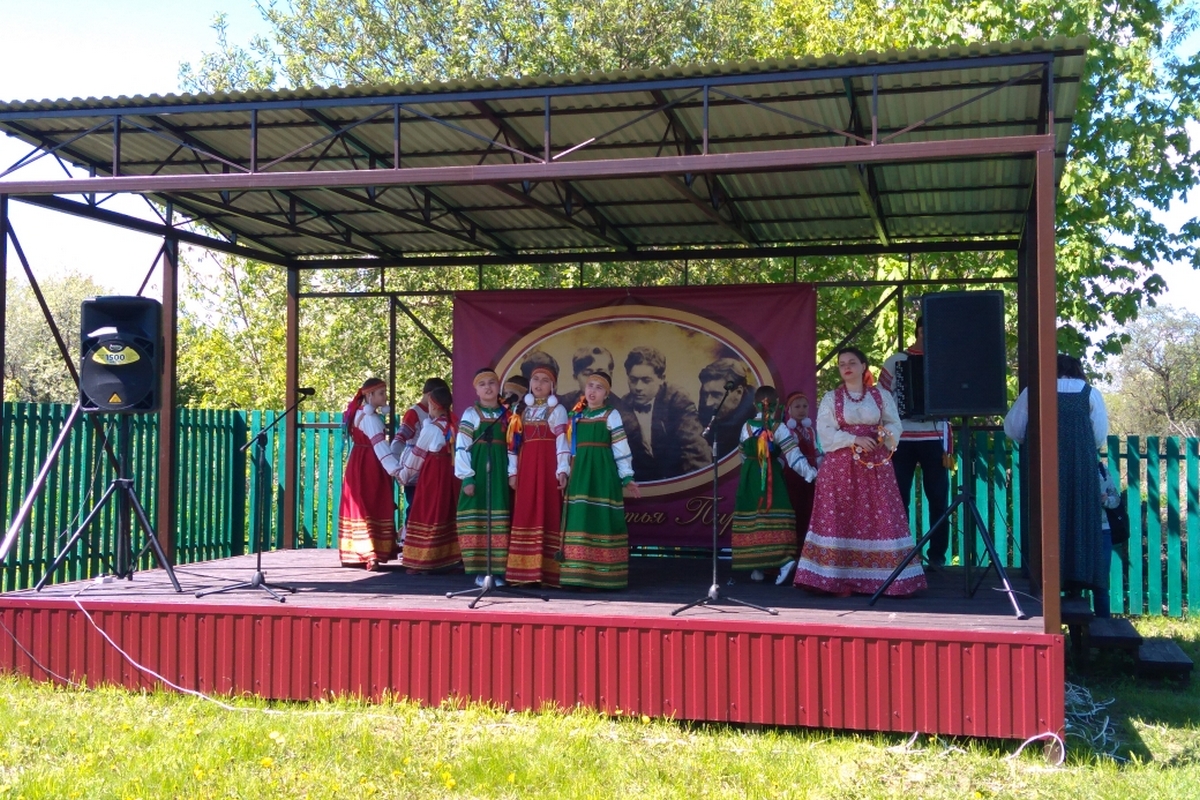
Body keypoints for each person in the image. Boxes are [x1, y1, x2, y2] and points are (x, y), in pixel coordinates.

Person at [793, 347, 927, 597]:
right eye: (842, 363)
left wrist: (883, 436)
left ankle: (885, 578)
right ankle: (832, 577)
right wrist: (853, 438)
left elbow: (894, 424)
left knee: (881, 513)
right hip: (841, 467)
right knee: (841, 516)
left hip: (875, 465)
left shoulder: (880, 395)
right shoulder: (831, 398)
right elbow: (825, 432)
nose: (846, 367)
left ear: (863, 365)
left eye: (852, 362)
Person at [1003, 354, 1109, 599]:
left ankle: (1042, 578)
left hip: (1042, 466)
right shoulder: (1090, 394)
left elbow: (1013, 428)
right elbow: (1099, 437)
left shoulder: (1034, 391)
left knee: (1045, 517)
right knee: (1078, 517)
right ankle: (1077, 578)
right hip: (1079, 469)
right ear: (1076, 370)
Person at [880, 317, 952, 568]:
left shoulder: (946, 360)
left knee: (938, 498)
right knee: (899, 497)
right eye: (923, 331)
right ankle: (901, 553)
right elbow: (881, 396)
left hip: (935, 438)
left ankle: (937, 556)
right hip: (902, 438)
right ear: (918, 331)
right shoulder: (896, 361)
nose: (926, 336)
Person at [560, 371, 641, 589]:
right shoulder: (575, 416)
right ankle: (577, 575)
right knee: (580, 518)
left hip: (602, 471)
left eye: (598, 387)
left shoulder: (611, 414)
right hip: (579, 473)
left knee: (601, 516)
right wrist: (563, 471)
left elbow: (621, 447)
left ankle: (605, 577)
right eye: (590, 386)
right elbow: (566, 447)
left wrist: (627, 476)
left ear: (606, 394)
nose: (593, 391)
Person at [731, 386, 816, 582]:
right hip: (772, 477)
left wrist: (751, 467)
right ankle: (784, 561)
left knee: (754, 517)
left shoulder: (746, 427)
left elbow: (742, 453)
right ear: (777, 405)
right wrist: (811, 473)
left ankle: (758, 567)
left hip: (750, 476)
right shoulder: (780, 427)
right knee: (775, 513)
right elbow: (794, 457)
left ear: (755, 404)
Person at [506, 363, 570, 586]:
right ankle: (524, 573)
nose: (539, 384)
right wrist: (512, 472)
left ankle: (549, 573)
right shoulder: (520, 411)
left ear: (552, 386)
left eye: (544, 380)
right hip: (527, 468)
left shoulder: (557, 410)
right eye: (535, 380)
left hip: (548, 466)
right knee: (525, 511)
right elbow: (513, 445)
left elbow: (563, 442)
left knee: (548, 510)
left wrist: (562, 469)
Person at [337, 377, 403, 570]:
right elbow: (380, 446)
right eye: (381, 393)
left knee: (362, 502)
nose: (385, 396)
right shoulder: (371, 419)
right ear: (369, 395)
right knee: (370, 502)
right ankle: (370, 553)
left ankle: (359, 551)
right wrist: (395, 469)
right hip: (371, 463)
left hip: (358, 460)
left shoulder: (357, 413)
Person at [455, 368, 512, 587]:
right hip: (479, 468)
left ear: (498, 386)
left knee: (498, 517)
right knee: (478, 517)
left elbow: (513, 445)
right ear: (476, 389)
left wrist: (512, 473)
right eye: (483, 384)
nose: (488, 387)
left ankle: (497, 571)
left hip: (499, 470)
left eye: (492, 383)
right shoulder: (471, 414)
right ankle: (480, 571)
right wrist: (467, 477)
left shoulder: (507, 415)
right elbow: (462, 446)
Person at [398, 385, 463, 573]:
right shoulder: (454, 425)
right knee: (445, 511)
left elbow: (416, 456)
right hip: (450, 475)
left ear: (433, 406)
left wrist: (403, 475)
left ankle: (424, 560)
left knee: (428, 513)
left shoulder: (432, 429)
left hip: (433, 476)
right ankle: (448, 557)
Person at [622, 346, 708, 480]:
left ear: (661, 378)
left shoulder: (677, 399)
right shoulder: (624, 405)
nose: (638, 387)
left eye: (646, 380)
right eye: (633, 380)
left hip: (678, 480)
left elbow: (694, 450)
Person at [558, 345, 644, 452]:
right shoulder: (564, 404)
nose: (595, 380)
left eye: (601, 373)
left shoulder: (623, 415)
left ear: (610, 375)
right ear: (575, 376)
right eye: (587, 373)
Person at [392, 377, 449, 530]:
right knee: (415, 504)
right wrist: (393, 460)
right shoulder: (414, 412)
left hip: (430, 466)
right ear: (429, 394)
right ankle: (409, 539)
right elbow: (401, 437)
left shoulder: (443, 418)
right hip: (415, 463)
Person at [777, 390, 820, 585]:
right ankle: (791, 556)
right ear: (789, 410)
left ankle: (807, 556)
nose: (802, 410)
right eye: (797, 407)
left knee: (808, 513)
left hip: (810, 479)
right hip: (793, 477)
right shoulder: (788, 430)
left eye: (804, 406)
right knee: (794, 513)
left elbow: (816, 449)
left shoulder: (811, 430)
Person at [697, 358, 757, 461]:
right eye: (704, 394)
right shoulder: (705, 411)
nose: (708, 403)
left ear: (738, 392)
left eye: (716, 395)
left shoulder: (757, 419)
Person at [1095, 461, 1121, 618]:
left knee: (1101, 584)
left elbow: (1116, 499)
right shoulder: (1067, 465)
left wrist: (1105, 500)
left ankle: (1104, 627)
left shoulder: (1101, 468)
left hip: (1103, 530)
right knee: (1073, 585)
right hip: (1077, 531)